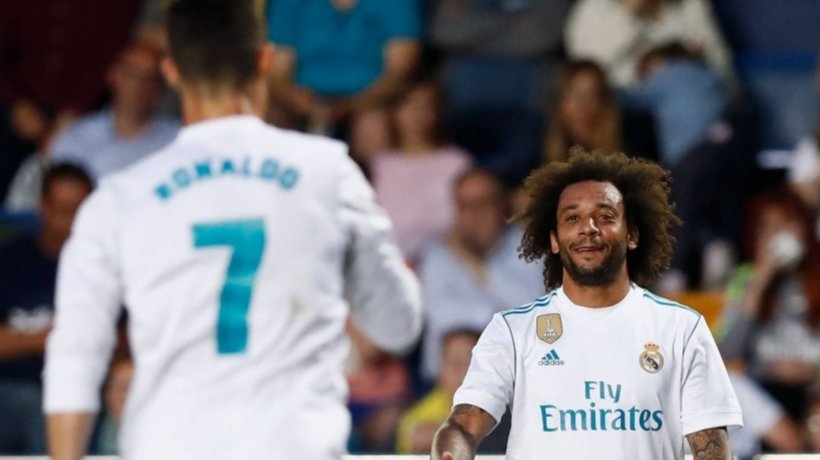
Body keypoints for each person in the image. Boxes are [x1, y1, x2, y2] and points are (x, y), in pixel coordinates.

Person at [43, 1, 422, 460]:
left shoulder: (122, 195)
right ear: (264, 60)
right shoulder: (328, 173)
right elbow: (398, 327)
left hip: (168, 445)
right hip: (293, 446)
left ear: (172, 71)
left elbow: (75, 354)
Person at [430, 149, 742, 459]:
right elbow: (463, 426)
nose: (588, 228)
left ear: (632, 234)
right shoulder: (512, 330)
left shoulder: (680, 329)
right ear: (554, 239)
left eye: (605, 216)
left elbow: (711, 444)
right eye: (573, 217)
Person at [0, 163, 93, 454]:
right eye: (63, 209)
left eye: (80, 209)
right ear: (42, 207)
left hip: (79, 390)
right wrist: (44, 339)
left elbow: (128, 339)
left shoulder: (104, 264)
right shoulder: (10, 260)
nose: (71, 219)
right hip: (9, 385)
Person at [419, 168, 543, 382]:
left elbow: (530, 314)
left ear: (503, 206)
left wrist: (474, 264)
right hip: (446, 385)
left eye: (483, 204)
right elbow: (443, 321)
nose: (474, 215)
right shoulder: (437, 255)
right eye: (465, 206)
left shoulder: (529, 247)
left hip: (518, 377)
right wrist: (496, 315)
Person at [717, 188, 820, 421]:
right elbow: (728, 351)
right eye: (768, 227)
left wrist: (812, 371)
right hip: (764, 391)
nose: (778, 235)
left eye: (786, 223)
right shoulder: (743, 278)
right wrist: (760, 281)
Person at [371, 78, 472, 264]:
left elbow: (463, 225)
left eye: (426, 106)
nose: (417, 116)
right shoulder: (382, 164)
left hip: (444, 265)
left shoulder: (456, 163)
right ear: (394, 112)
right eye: (409, 106)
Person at [48, 40, 181, 180]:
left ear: (163, 86)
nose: (140, 86)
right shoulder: (76, 138)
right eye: (133, 75)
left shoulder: (177, 139)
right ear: (113, 75)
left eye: (150, 78)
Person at [396, 329, 480, 454]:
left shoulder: (508, 410)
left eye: (466, 360)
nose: (457, 369)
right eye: (451, 360)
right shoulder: (415, 419)